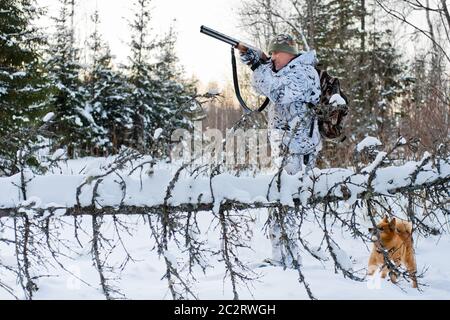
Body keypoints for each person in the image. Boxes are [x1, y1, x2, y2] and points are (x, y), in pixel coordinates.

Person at [239, 34, 322, 268]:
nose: (273, 56)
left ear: (289, 53)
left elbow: (276, 92)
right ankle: (281, 256)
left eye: (277, 53)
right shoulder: (284, 72)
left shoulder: (304, 73)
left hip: (297, 151)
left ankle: (288, 258)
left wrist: (259, 65)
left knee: (286, 203)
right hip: (285, 150)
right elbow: (260, 88)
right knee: (280, 201)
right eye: (271, 53)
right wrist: (255, 61)